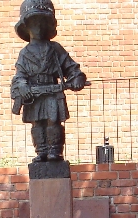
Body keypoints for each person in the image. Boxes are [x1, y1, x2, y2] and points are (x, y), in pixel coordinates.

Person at [11, 0, 87, 162]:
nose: (38, 28)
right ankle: (41, 151)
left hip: (53, 93)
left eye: (41, 23)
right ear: (26, 27)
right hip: (34, 96)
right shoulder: (24, 54)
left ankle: (55, 151)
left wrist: (77, 79)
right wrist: (23, 86)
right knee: (37, 124)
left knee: (53, 122)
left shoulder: (55, 49)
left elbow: (72, 68)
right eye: (33, 24)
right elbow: (19, 76)